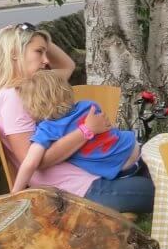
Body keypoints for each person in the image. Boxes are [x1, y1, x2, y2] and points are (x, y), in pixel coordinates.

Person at [0, 24, 154, 214]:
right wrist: (87, 130)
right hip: (76, 190)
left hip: (87, 179)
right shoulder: (14, 97)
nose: (46, 60)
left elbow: (67, 66)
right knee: (163, 191)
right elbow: (35, 161)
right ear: (14, 52)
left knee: (163, 173)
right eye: (39, 52)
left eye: (45, 52)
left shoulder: (34, 86)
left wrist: (39, 36)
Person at [11, 71, 142, 193]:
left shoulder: (47, 129)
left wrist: (15, 193)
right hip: (133, 147)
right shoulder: (89, 105)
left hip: (120, 169)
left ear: (33, 105)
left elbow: (30, 163)